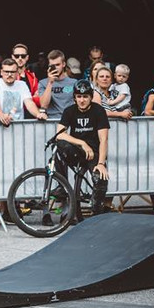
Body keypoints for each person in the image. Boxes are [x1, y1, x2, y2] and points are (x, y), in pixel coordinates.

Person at [55, 79, 110, 215]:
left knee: (100, 178)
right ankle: (62, 186)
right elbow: (59, 134)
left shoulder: (99, 111)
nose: (82, 100)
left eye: (85, 96)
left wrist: (101, 164)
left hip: (94, 152)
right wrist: (82, 143)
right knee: (58, 146)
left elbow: (104, 139)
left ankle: (97, 212)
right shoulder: (69, 111)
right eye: (79, 96)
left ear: (91, 97)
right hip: (77, 150)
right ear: (74, 97)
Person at [0, 58, 48, 126]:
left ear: (17, 73)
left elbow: (29, 103)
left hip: (18, 129)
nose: (9, 74)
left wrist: (38, 114)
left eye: (12, 72)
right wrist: (2, 116)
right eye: (6, 72)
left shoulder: (22, 84)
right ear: (1, 72)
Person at [36, 50, 77, 120]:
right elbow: (43, 105)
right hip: (51, 120)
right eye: (52, 66)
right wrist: (50, 82)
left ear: (63, 64)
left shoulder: (74, 82)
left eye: (57, 65)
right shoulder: (43, 83)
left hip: (69, 120)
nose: (55, 68)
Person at [9, 44, 41, 110]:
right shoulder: (7, 75)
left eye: (23, 56)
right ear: (12, 57)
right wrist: (30, 98)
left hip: (30, 113)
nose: (20, 58)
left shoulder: (33, 77)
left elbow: (39, 100)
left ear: (27, 57)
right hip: (12, 114)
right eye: (17, 56)